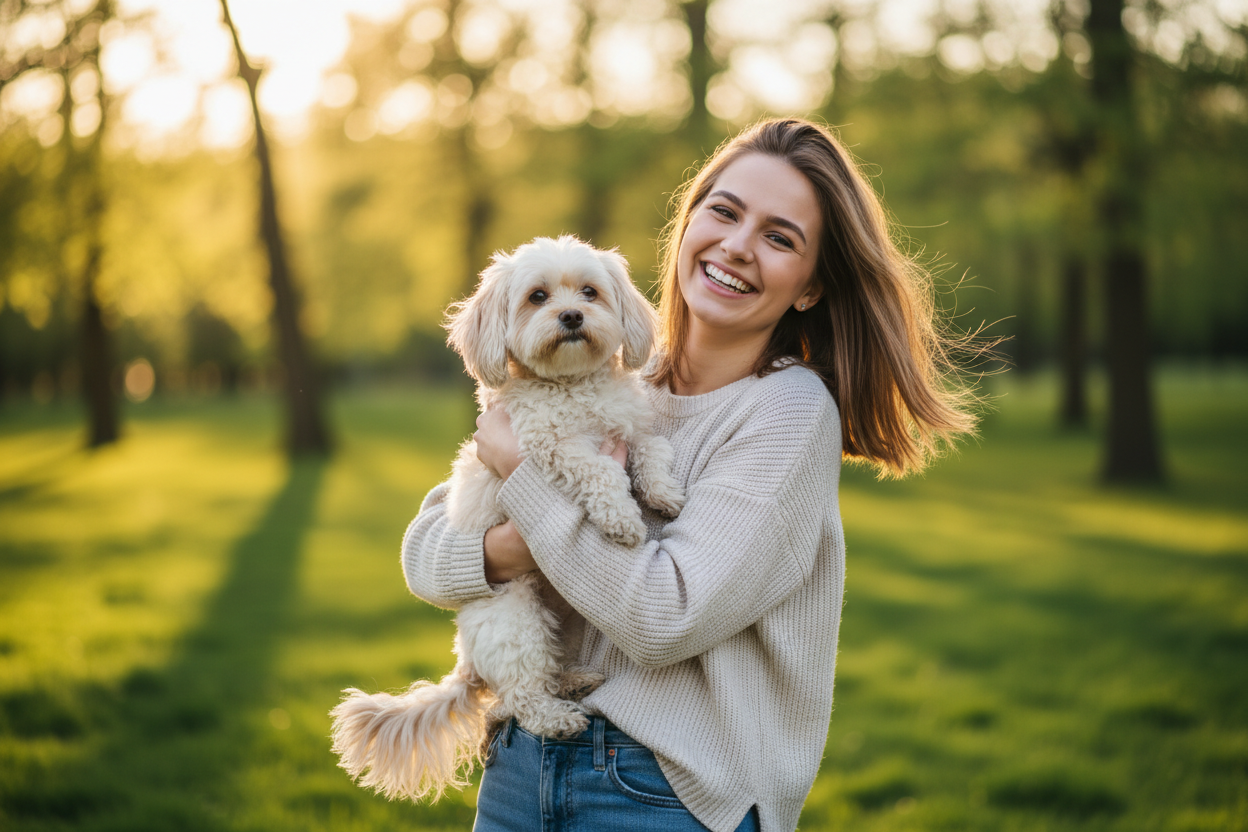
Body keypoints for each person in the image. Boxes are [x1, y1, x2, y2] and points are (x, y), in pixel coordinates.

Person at [402, 118, 978, 832]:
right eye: (726, 211)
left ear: (808, 288)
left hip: (662, 790)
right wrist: (501, 552)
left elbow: (664, 619)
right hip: (520, 767)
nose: (738, 245)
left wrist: (522, 475)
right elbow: (425, 556)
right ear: (690, 225)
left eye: (779, 237)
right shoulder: (606, 374)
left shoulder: (787, 414)